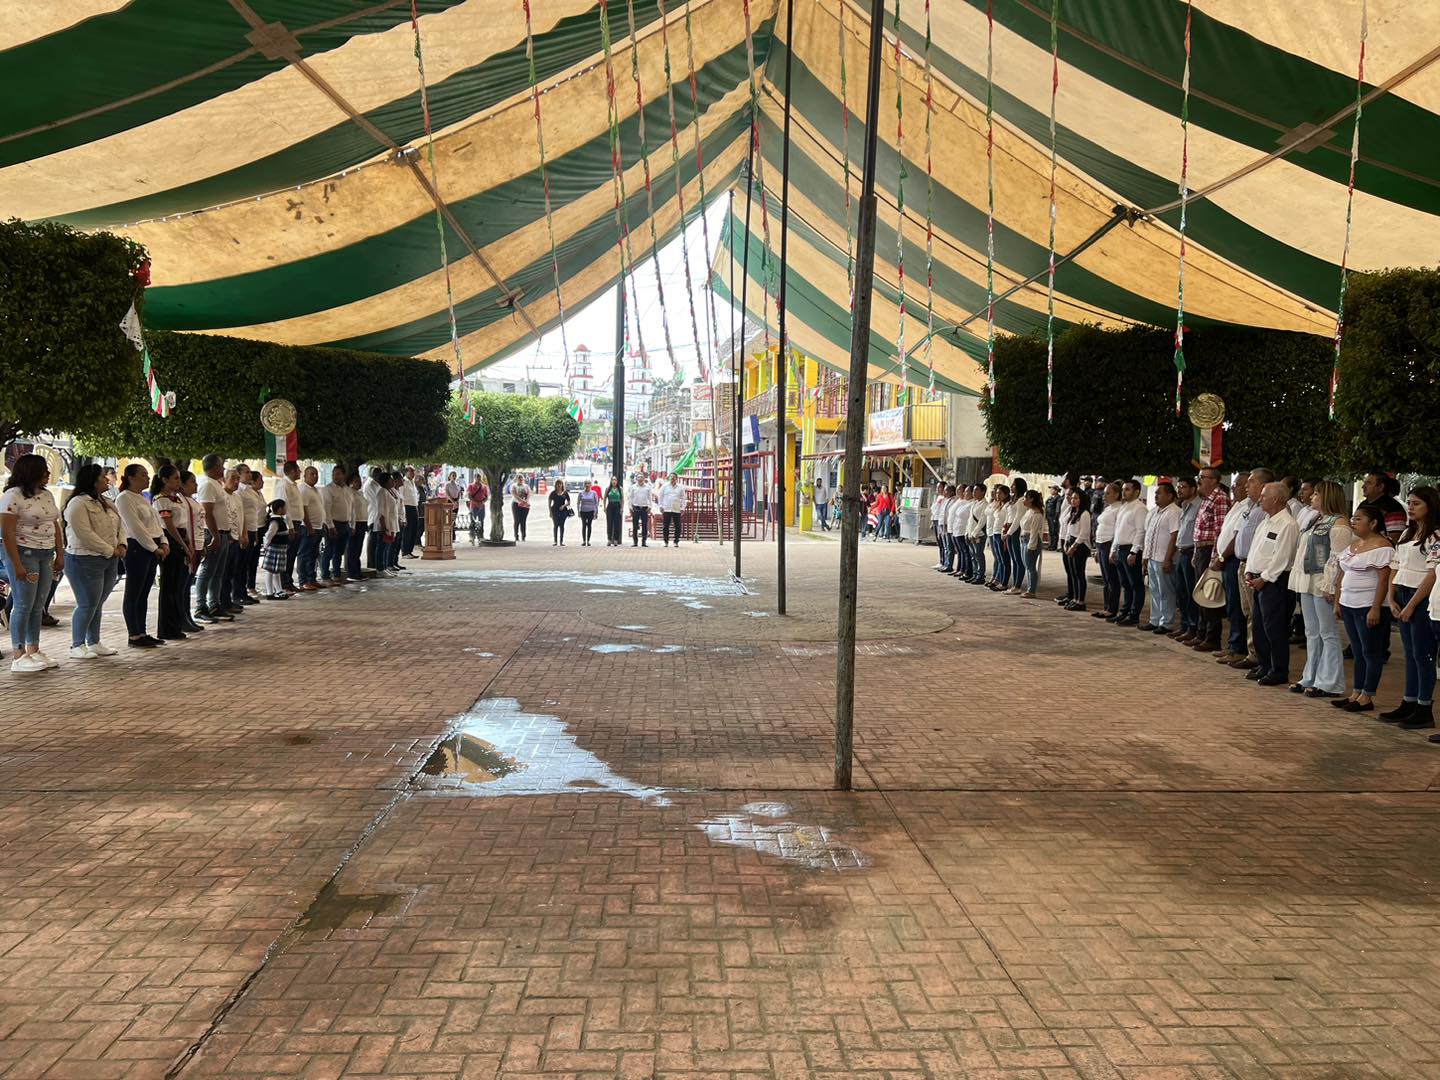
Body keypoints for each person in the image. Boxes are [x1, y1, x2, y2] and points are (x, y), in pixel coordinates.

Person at [1382, 486, 1439, 729]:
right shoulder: (1408, 533)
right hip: (1402, 593)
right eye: (1410, 502)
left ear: (1430, 507)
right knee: (1410, 654)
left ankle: (1424, 707)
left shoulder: (1434, 536)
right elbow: (1395, 566)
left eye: (1417, 503)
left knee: (1423, 654)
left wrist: (1412, 605)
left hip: (1419, 597)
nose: (1411, 507)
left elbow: (1431, 575)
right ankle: (1409, 700)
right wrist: (1391, 597)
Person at [1, 454, 65, 670]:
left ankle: (33, 649)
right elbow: (7, 532)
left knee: (38, 604)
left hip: (45, 553)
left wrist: (60, 552)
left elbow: (54, 524)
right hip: (24, 552)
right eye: (43, 469)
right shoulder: (13, 495)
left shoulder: (46, 495)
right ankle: (18, 654)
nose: (48, 474)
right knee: (23, 603)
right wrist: (16, 564)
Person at [1289, 479, 1350, 698]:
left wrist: (1331, 585)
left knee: (1328, 632)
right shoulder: (1315, 519)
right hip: (1307, 579)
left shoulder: (1339, 523)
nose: (1312, 497)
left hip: (1323, 582)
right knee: (1311, 632)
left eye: (1316, 494)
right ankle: (1311, 676)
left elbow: (1337, 558)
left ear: (1327, 496)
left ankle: (1330, 681)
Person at [1332, 504, 1395, 713]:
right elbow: (1341, 574)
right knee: (1358, 651)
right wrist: (1338, 600)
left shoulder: (1383, 547)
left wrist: (1376, 608)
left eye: (1359, 519)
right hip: (1349, 603)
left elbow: (1384, 580)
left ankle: (1367, 695)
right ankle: (1356, 692)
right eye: (1353, 518)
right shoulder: (1354, 545)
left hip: (1368, 605)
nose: (1353, 522)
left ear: (1373, 523)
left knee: (1370, 651)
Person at [61, 463, 125, 660]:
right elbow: (83, 533)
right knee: (87, 603)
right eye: (103, 477)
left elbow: (119, 523)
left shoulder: (105, 501)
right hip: (84, 558)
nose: (107, 480)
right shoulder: (78, 503)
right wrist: (109, 550)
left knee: (97, 602)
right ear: (93, 480)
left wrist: (121, 544)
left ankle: (94, 641)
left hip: (108, 558)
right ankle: (77, 645)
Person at [1241, 481, 1299, 685]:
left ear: (1276, 499)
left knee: (1275, 628)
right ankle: (1264, 665)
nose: (1260, 498)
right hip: (1258, 579)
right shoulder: (1266, 521)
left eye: (1264, 495)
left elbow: (1282, 558)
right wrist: (1249, 571)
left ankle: (1278, 670)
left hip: (1275, 582)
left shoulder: (1288, 524)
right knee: (1258, 626)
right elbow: (1256, 550)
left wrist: (1263, 578)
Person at [114, 463, 169, 649]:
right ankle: (134, 634)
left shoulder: (143, 498)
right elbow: (136, 527)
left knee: (144, 591)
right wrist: (154, 548)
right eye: (143, 475)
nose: (147, 478)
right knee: (134, 591)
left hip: (152, 545)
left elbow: (155, 523)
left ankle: (142, 631)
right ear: (130, 478)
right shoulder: (124, 498)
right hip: (137, 548)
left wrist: (163, 542)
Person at [1187, 467, 1232, 652]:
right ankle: (1201, 633)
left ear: (1213, 480)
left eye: (1202, 478)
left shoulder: (1220, 499)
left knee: (1210, 594)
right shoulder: (1206, 499)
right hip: (1200, 550)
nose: (1198, 481)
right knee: (1200, 594)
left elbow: (1219, 532)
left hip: (1209, 551)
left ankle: (1212, 637)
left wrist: (1216, 557)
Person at [1211, 470, 1254, 661]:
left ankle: (1238, 648)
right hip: (1226, 558)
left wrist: (1222, 557)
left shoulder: (1248, 507)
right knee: (1230, 605)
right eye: (1235, 484)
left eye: (1239, 484)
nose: (1235, 487)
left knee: (1237, 606)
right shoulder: (1236, 505)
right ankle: (1232, 645)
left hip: (1233, 559)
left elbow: (1236, 537)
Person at [150, 465, 191, 641]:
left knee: (177, 586)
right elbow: (169, 525)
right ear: (165, 480)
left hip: (182, 537)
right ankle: (167, 628)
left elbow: (183, 522)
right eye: (175, 479)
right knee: (169, 586)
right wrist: (182, 544)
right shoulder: (161, 500)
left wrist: (187, 540)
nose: (178, 482)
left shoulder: (177, 498)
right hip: (170, 540)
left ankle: (176, 624)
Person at [191, 454, 230, 622]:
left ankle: (214, 604)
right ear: (213, 467)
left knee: (218, 572)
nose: (223, 468)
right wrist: (214, 535)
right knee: (207, 570)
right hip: (213, 533)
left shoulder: (217, 484)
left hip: (223, 532)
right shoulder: (207, 485)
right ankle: (200, 607)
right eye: (221, 465)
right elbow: (207, 512)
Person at [1138, 481, 1180, 633]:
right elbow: (1148, 535)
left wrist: (1168, 558)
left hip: (1163, 558)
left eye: (1159, 493)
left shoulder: (1174, 511)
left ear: (1170, 495)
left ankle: (1166, 623)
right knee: (1154, 591)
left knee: (1166, 592)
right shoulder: (1153, 511)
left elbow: (1174, 536)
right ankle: (1154, 620)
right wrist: (1145, 556)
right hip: (1152, 557)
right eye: (1155, 493)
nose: (1156, 496)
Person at [1111, 479, 1148, 626]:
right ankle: (1124, 612)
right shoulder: (1124, 507)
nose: (1124, 492)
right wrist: (1113, 549)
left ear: (1136, 492)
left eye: (1127, 489)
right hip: (1121, 548)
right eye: (1124, 489)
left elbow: (1140, 531)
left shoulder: (1139, 508)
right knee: (1125, 583)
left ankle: (1134, 615)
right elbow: (1118, 530)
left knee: (1135, 584)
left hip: (1131, 549)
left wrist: (1134, 552)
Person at [1171, 477, 1200, 641]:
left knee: (1191, 593)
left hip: (1191, 553)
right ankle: (1184, 626)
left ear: (1193, 489)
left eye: (1183, 487)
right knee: (1181, 593)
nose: (1179, 490)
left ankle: (1193, 627)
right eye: (1178, 486)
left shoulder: (1199, 506)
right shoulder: (1184, 506)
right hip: (1181, 552)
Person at [1089, 483, 1121, 618]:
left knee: (1112, 578)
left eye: (1108, 493)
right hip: (1101, 544)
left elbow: (1117, 531)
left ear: (1116, 495)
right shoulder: (1108, 508)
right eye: (1104, 493)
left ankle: (1112, 608)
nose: (1104, 496)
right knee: (1106, 578)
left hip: (1109, 544)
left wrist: (1113, 549)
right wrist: (1096, 549)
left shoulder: (1119, 509)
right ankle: (1106, 606)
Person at [1060, 487, 1094, 611]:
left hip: (1080, 546)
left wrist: (1073, 546)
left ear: (1082, 499)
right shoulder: (1073, 513)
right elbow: (1068, 530)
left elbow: (1084, 533)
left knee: (1079, 574)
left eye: (1076, 498)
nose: (1073, 500)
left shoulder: (1084, 514)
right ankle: (1074, 598)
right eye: (1072, 498)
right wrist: (1065, 544)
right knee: (1073, 573)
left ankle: (1081, 601)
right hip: (1070, 543)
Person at [274, 460, 305, 594]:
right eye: (298, 469)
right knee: (286, 554)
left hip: (297, 522)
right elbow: (284, 507)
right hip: (289, 523)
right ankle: (284, 583)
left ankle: (289, 581)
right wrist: (290, 526)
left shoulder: (294, 485)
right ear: (292, 471)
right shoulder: (283, 485)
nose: (300, 472)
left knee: (292, 554)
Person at [238, 466, 266, 601]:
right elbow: (240, 512)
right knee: (241, 564)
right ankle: (238, 593)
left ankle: (243, 591)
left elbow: (254, 513)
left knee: (247, 562)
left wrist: (254, 533)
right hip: (244, 530)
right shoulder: (239, 490)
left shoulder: (249, 490)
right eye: (246, 472)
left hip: (253, 528)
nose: (249, 474)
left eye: (250, 472)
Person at [297, 466, 326, 591]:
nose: (314, 476)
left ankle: (312, 578)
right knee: (304, 554)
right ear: (305, 476)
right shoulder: (303, 489)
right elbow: (303, 509)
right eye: (311, 474)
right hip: (308, 528)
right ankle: (303, 580)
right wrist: (309, 526)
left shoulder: (315, 490)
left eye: (316, 474)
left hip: (318, 527)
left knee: (314, 555)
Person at [321, 465, 351, 585]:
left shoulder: (346, 489)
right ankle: (325, 575)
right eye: (334, 473)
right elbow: (326, 509)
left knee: (339, 551)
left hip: (345, 523)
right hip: (333, 523)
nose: (335, 476)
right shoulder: (328, 489)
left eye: (338, 473)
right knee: (329, 550)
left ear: (343, 475)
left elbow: (350, 507)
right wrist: (330, 525)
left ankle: (336, 574)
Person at [1358, 471, 1406, 541]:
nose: (1363, 486)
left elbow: (1393, 538)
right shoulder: (1363, 504)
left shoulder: (1393, 508)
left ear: (1380, 487)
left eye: (1368, 483)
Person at [1016, 490, 1045, 599]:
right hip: (1024, 539)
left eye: (1025, 498)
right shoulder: (1029, 511)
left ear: (1031, 499)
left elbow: (1034, 532)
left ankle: (1031, 590)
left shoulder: (1037, 514)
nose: (1023, 500)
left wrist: (1031, 546)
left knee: (1030, 567)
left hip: (1030, 541)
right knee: (1027, 566)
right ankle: (1029, 588)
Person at [260, 500, 291, 600]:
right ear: (280, 509)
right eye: (285, 507)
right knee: (270, 571)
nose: (286, 509)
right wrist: (266, 546)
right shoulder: (275, 521)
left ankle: (279, 590)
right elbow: (269, 535)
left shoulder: (281, 520)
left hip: (280, 548)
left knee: (276, 571)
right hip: (274, 548)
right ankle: (270, 592)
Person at [1005, 478, 1029, 589]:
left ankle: (1017, 585)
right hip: (1009, 529)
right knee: (1013, 559)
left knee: (1018, 559)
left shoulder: (1021, 500)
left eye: (1014, 485)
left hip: (1016, 530)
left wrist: (1009, 532)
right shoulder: (1012, 499)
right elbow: (1009, 515)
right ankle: (1015, 583)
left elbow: (1018, 518)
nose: (1011, 486)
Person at [347, 472, 369, 581]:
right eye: (356, 481)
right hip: (356, 523)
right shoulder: (350, 493)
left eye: (359, 481)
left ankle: (357, 571)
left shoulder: (360, 493)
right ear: (351, 482)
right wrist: (352, 525)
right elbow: (352, 511)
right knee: (353, 549)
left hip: (363, 522)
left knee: (358, 549)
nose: (359, 483)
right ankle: (352, 573)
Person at [964, 483, 987, 583]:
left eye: (977, 490)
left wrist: (974, 533)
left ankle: (980, 575)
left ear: (983, 492)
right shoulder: (974, 503)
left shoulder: (985, 504)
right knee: (973, 556)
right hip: (970, 533)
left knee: (979, 555)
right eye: (973, 490)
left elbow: (982, 521)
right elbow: (970, 520)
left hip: (978, 534)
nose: (974, 492)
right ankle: (975, 573)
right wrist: (967, 532)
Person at [659, 473, 687, 547]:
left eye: (674, 477)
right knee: (665, 526)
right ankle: (665, 541)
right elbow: (660, 496)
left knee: (677, 526)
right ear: (669, 478)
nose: (672, 478)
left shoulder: (680, 487)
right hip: (666, 508)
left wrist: (683, 508)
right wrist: (661, 506)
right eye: (671, 477)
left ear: (676, 478)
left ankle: (676, 541)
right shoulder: (664, 486)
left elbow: (684, 498)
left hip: (676, 509)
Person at [401, 467, 420, 557]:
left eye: (413, 471)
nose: (413, 473)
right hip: (406, 507)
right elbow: (401, 497)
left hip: (414, 507)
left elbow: (415, 497)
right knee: (407, 530)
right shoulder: (404, 482)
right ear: (406, 472)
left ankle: (410, 551)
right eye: (411, 471)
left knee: (413, 530)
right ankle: (405, 551)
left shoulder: (412, 482)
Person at [628, 474, 652, 546]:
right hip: (636, 508)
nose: (640, 478)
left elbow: (649, 497)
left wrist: (650, 506)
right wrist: (630, 507)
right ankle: (635, 542)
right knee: (635, 526)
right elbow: (630, 497)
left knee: (645, 525)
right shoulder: (633, 487)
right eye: (638, 477)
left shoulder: (648, 487)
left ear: (644, 478)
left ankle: (644, 541)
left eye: (641, 477)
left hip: (645, 508)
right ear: (636, 478)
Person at [576, 482, 599, 546]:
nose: (587, 485)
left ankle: (588, 540)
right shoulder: (581, 493)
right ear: (584, 485)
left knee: (589, 525)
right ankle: (584, 541)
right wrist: (578, 511)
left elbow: (596, 503)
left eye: (588, 483)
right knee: (584, 525)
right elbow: (578, 503)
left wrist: (596, 512)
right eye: (586, 483)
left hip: (591, 511)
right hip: (583, 511)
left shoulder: (594, 493)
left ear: (591, 485)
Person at [549, 479, 571, 546]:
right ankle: (555, 541)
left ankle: (561, 541)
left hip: (563, 511)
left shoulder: (565, 493)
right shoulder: (553, 493)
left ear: (562, 485)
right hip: (554, 510)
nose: (559, 485)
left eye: (560, 484)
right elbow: (549, 503)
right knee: (556, 525)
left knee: (562, 525)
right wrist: (550, 512)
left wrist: (564, 506)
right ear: (555, 485)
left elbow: (569, 502)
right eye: (557, 484)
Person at [603, 477, 624, 547]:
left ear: (617, 481)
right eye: (613, 480)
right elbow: (605, 498)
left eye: (615, 480)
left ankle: (615, 539)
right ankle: (609, 539)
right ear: (611, 481)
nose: (614, 481)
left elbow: (622, 499)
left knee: (616, 523)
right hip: (610, 506)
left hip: (617, 506)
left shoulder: (620, 489)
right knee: (609, 523)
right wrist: (604, 507)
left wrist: (622, 508)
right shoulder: (608, 489)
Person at [512, 477, 531, 542]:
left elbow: (529, 494)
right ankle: (516, 536)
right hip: (516, 504)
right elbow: (514, 494)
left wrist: (526, 501)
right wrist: (521, 500)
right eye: (519, 479)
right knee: (517, 520)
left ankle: (523, 536)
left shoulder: (526, 486)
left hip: (525, 505)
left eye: (522, 479)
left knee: (523, 521)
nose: (521, 480)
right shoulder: (514, 486)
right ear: (517, 479)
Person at [1045, 485, 1063, 551]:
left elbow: (1057, 509)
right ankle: (1050, 545)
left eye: (1052, 489)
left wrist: (1056, 517)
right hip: (1049, 517)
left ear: (1056, 491)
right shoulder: (1050, 498)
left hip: (1053, 517)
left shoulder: (1058, 498)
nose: (1050, 490)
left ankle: (1054, 546)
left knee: (1054, 532)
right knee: (1051, 531)